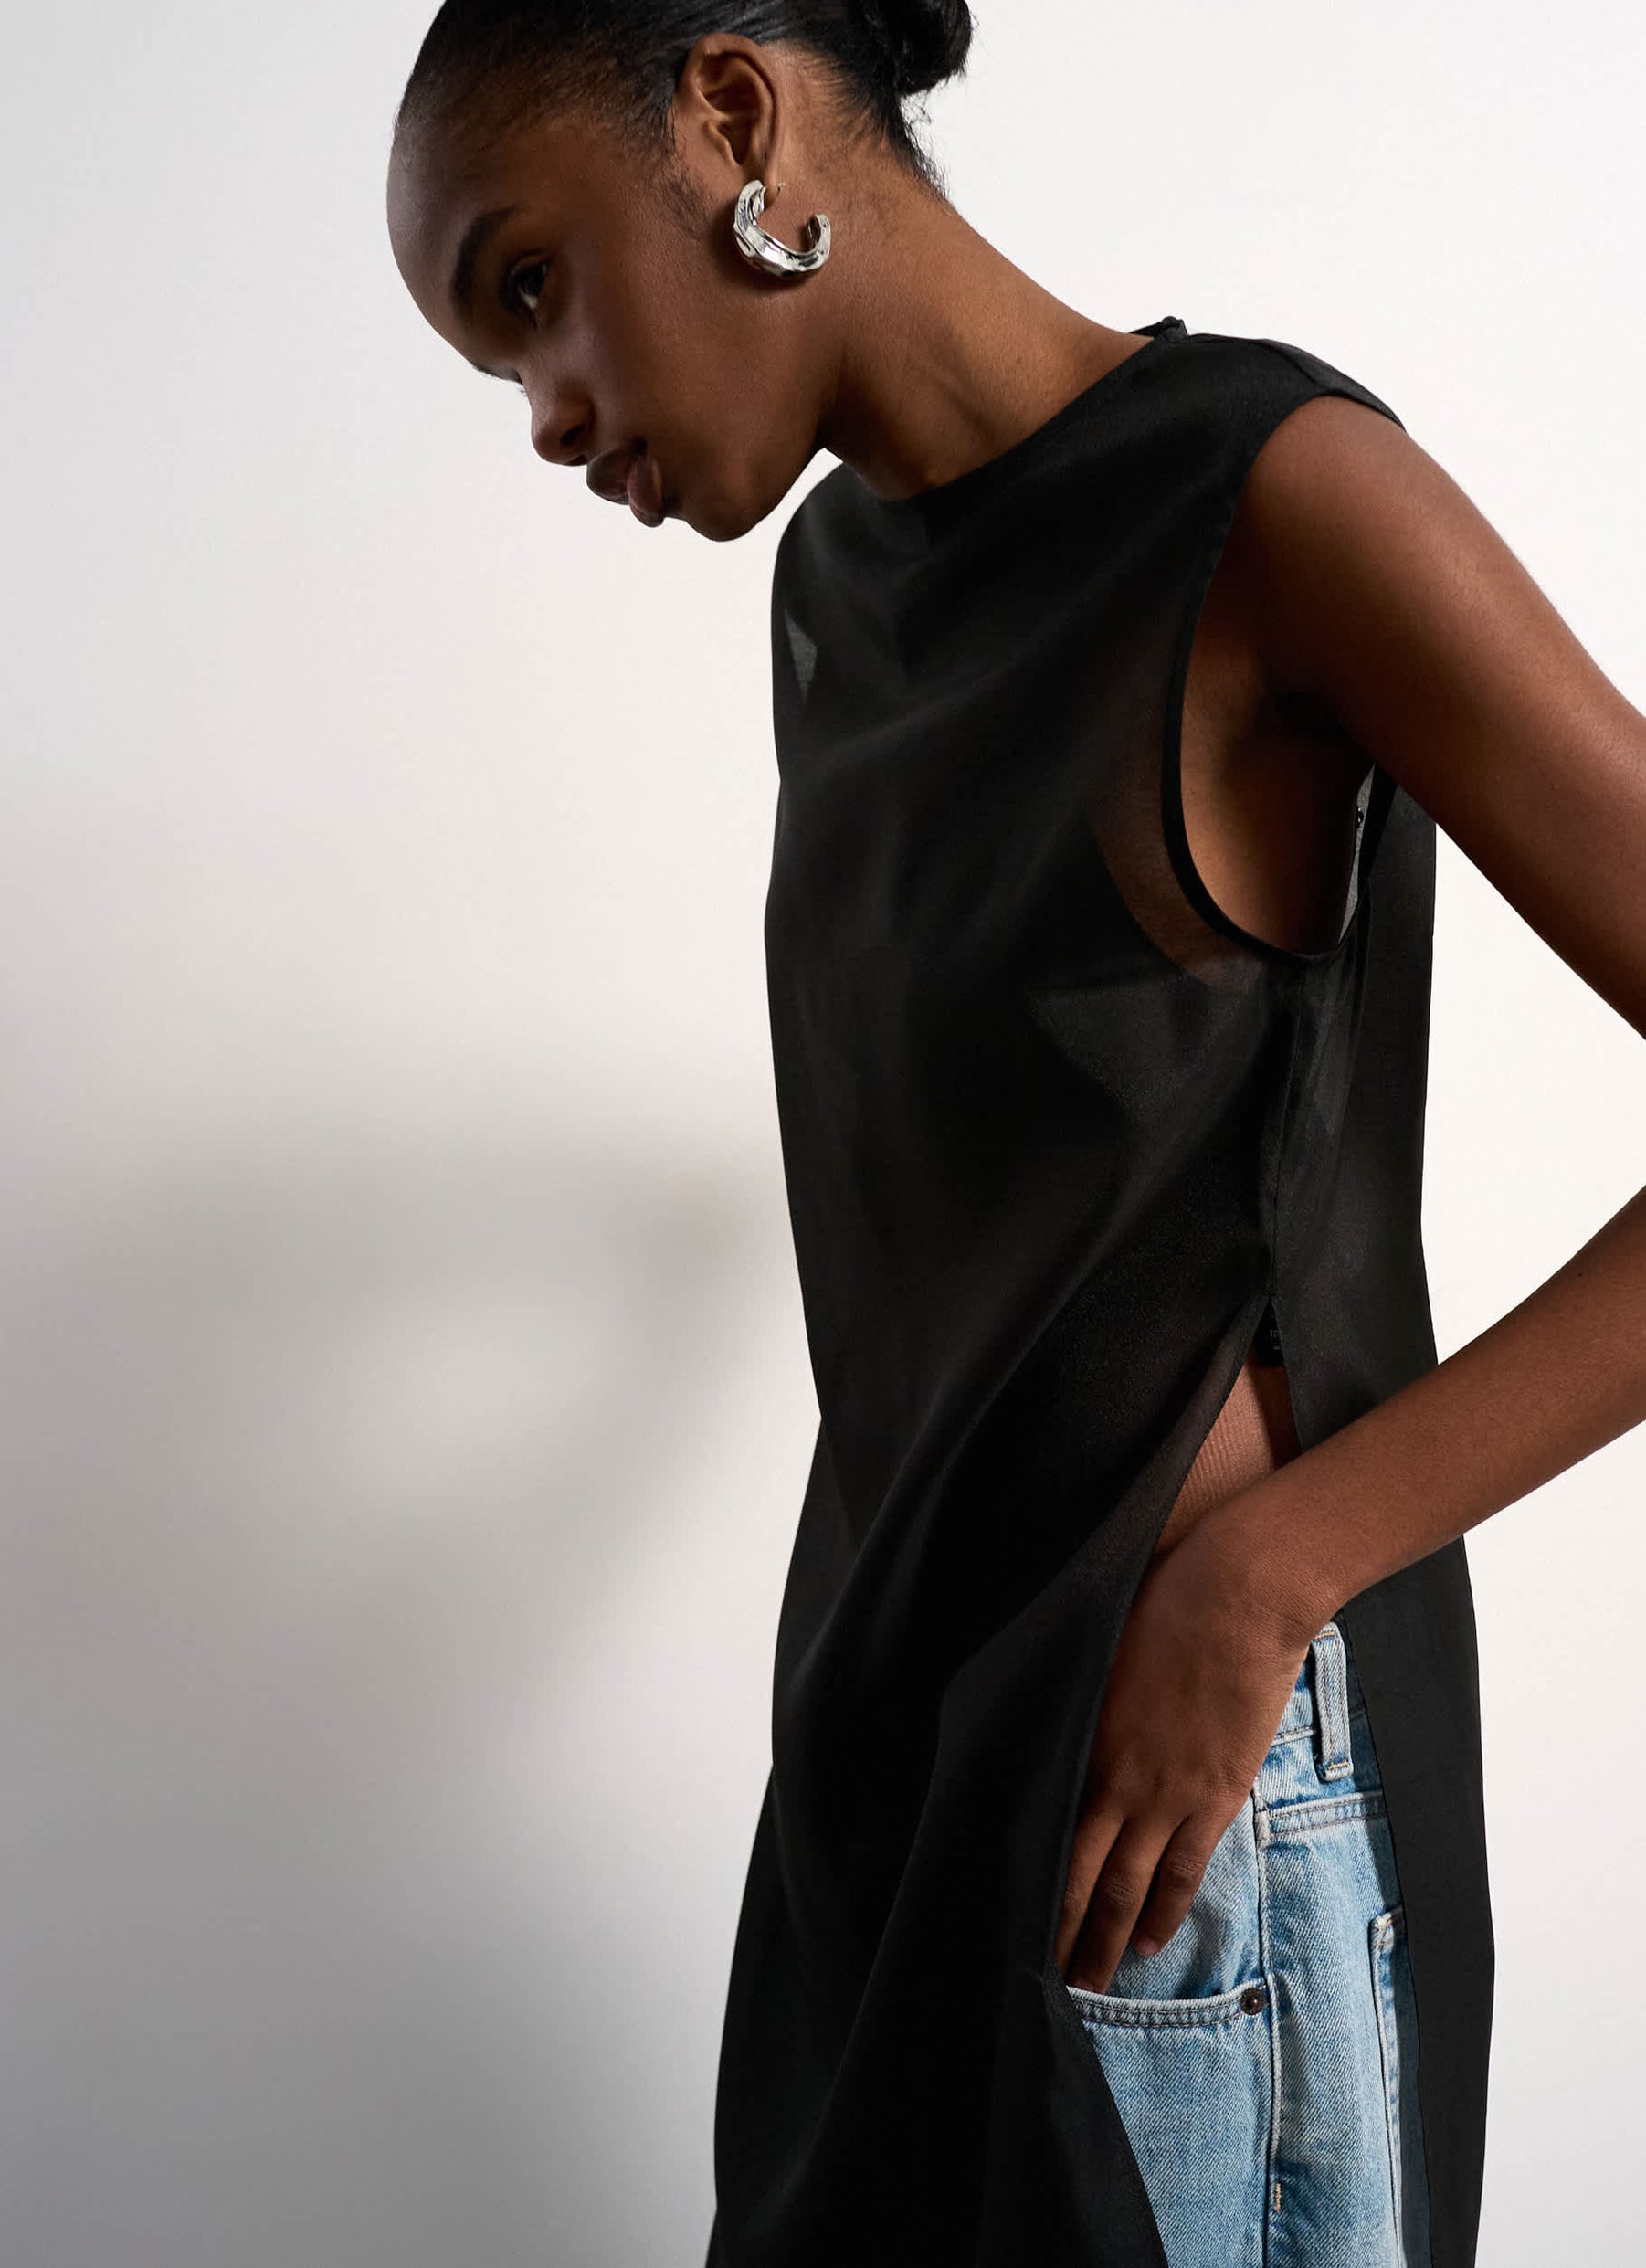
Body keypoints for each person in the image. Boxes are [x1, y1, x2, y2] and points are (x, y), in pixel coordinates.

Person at [383, 6, 1646, 2264]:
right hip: (896, 1790)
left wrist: (1268, 1573)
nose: (548, 413)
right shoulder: (833, 592)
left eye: (530, 288)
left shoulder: (1264, 494)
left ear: (733, 115)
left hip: (1172, 1832)